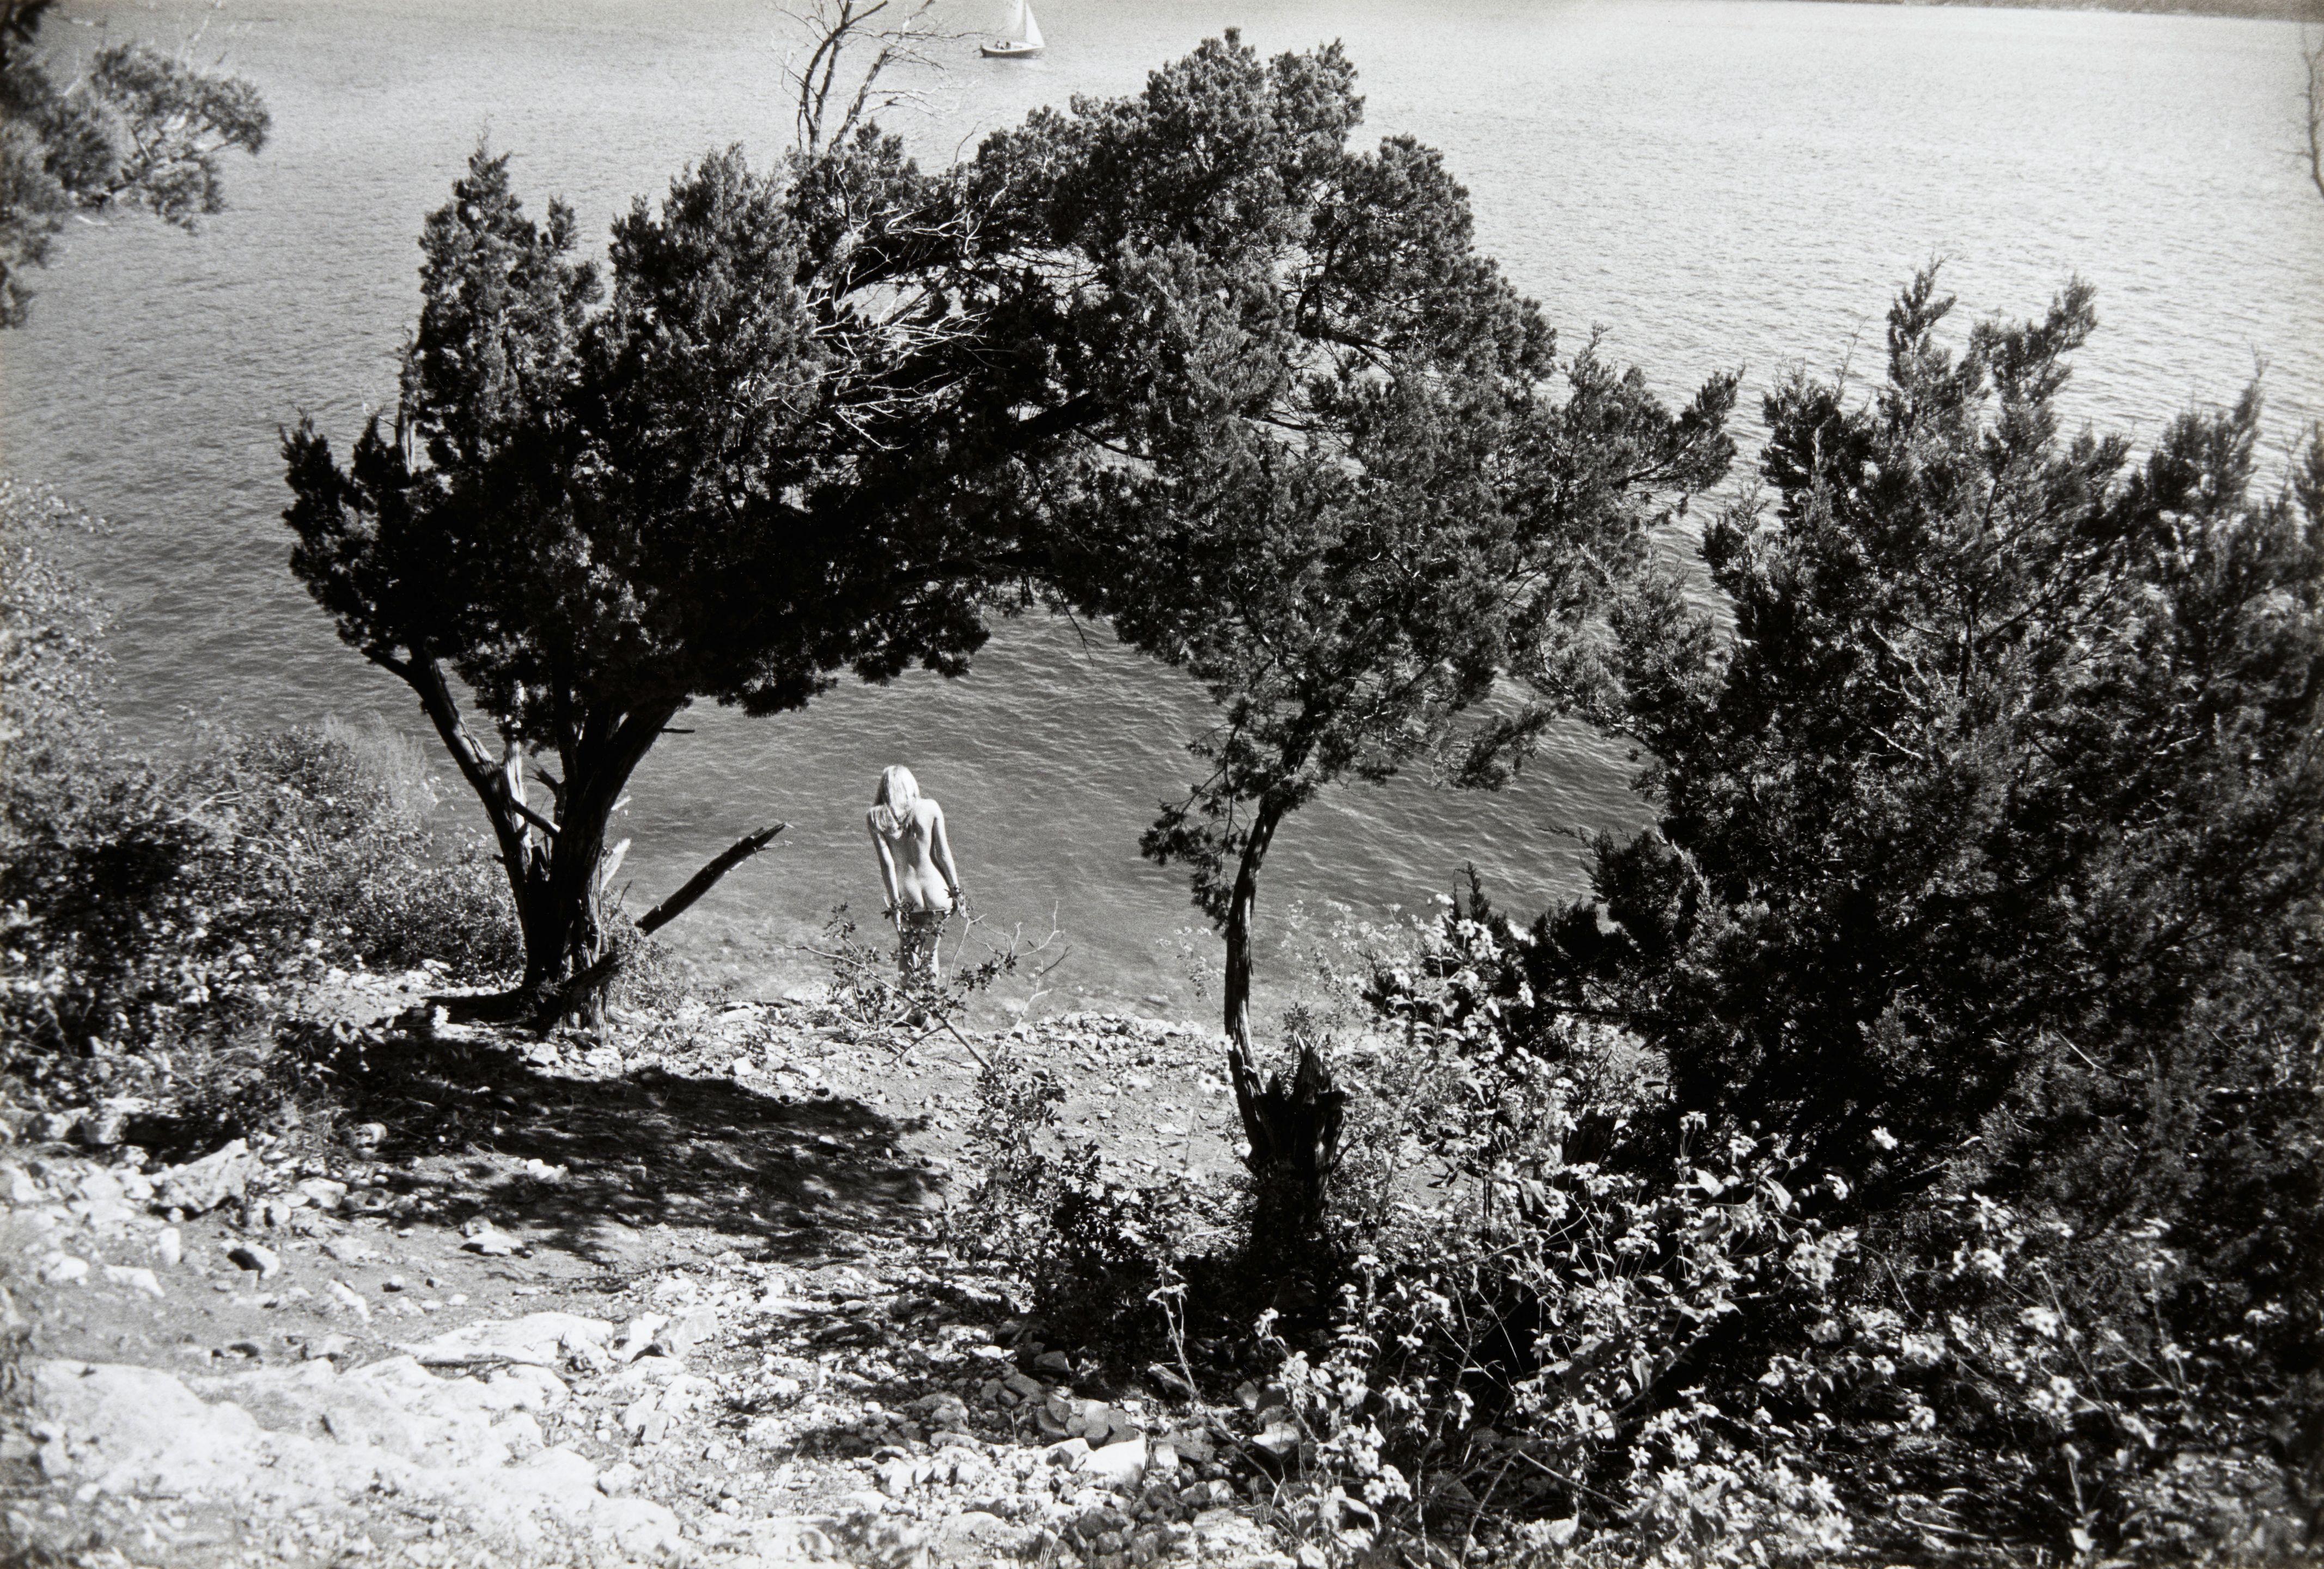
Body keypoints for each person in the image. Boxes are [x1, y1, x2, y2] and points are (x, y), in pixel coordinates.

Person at [867, 764, 963, 987]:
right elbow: (944, 854)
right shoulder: (931, 807)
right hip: (939, 894)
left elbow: (887, 864)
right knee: (932, 954)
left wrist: (896, 905)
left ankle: (910, 1007)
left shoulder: (876, 816)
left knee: (908, 953)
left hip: (910, 898)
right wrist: (956, 893)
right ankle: (928, 1008)